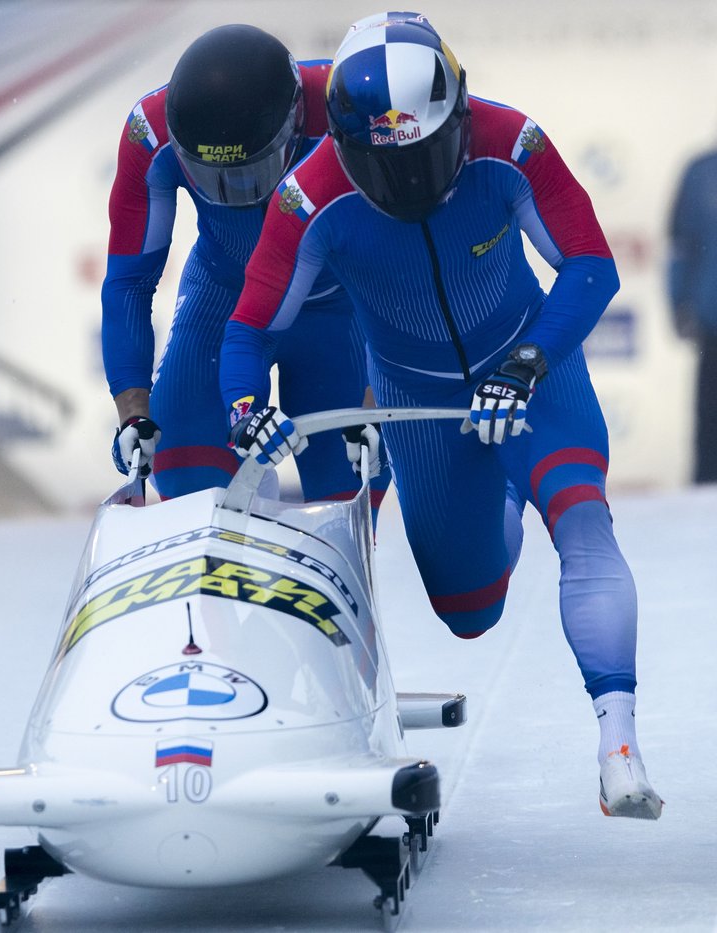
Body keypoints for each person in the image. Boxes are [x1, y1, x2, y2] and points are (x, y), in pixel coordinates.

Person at [220, 11, 662, 818]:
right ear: (344, 149)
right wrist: (246, 407)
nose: (415, 185)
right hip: (417, 406)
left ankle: (619, 744)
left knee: (584, 519)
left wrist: (529, 362)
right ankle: (496, 496)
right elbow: (249, 327)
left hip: (529, 375)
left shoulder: (512, 144)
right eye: (390, 169)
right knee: (470, 611)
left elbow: (590, 265)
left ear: (459, 120)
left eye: (428, 156)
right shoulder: (306, 197)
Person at [103, 24, 388, 506]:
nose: (233, 193)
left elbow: (401, 268)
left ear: (296, 124)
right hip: (225, 299)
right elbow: (129, 281)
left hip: (339, 309)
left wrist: (377, 394)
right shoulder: (148, 134)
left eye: (250, 172)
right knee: (184, 468)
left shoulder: (350, 111)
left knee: (348, 491)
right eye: (210, 179)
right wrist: (134, 412)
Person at [667, 145, 717, 484]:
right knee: (710, 428)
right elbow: (680, 245)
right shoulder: (701, 171)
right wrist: (679, 302)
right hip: (713, 320)